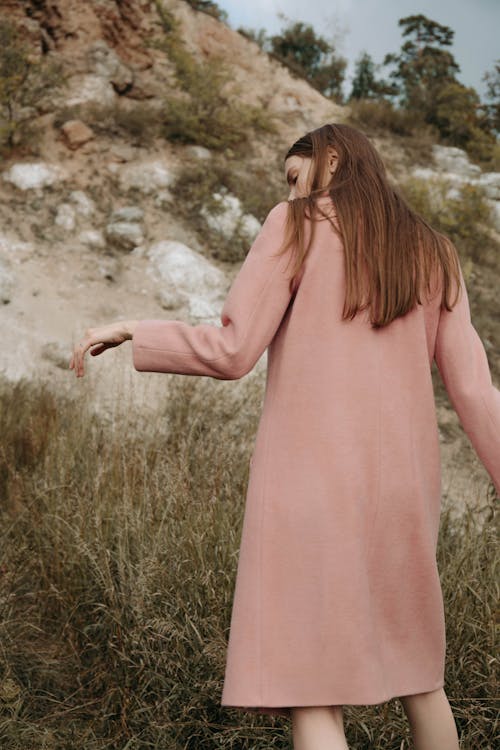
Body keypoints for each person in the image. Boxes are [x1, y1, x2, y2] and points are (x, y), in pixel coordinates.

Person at [69, 123, 499, 750]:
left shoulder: (295, 225)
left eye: (296, 176)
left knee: (312, 688)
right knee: (421, 679)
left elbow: (233, 349)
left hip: (311, 494)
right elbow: (476, 394)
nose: (293, 192)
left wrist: (137, 328)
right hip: (404, 498)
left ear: (331, 157)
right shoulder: (435, 251)